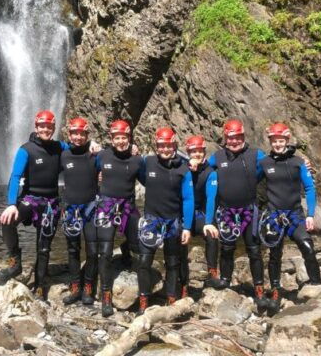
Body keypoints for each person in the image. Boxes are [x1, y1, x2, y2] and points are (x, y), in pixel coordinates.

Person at [0, 110, 66, 300]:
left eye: (49, 126)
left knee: (43, 247)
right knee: (7, 221)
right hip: (30, 199)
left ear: (53, 128)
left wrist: (92, 146)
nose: (46, 129)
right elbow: (15, 177)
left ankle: (40, 284)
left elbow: (79, 150)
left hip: (51, 203)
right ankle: (15, 262)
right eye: (42, 126)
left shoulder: (60, 147)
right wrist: (11, 204)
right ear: (36, 127)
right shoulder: (26, 149)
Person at [259, 122, 321, 314]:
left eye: (281, 141)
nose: (278, 144)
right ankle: (276, 288)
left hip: (295, 215)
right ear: (270, 142)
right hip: (274, 216)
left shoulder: (298, 163)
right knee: (274, 254)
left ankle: (316, 283)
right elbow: (247, 179)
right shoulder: (265, 163)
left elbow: (310, 188)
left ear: (287, 140)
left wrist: (310, 215)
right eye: (274, 141)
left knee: (307, 246)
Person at [208, 120, 268, 310]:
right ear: (225, 139)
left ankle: (259, 290)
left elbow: (276, 163)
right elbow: (201, 169)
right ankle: (225, 280)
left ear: (243, 136)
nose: (234, 141)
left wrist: (302, 163)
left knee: (254, 250)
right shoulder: (217, 157)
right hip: (226, 211)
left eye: (238, 137)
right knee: (227, 247)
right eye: (230, 138)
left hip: (249, 210)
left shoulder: (256, 154)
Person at [136, 127, 194, 314]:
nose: (165, 149)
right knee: (144, 261)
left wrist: (187, 227)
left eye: (168, 145)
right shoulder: (148, 162)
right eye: (161, 145)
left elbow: (188, 199)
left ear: (174, 145)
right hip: (151, 221)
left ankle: (171, 298)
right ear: (156, 146)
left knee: (172, 262)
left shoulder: (183, 169)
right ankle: (143, 302)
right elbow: (131, 170)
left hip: (173, 222)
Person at [91, 120, 144, 317]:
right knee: (104, 251)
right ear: (111, 139)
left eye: (124, 138)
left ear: (129, 138)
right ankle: (106, 295)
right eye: (117, 138)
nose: (121, 141)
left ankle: (127, 250)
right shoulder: (102, 155)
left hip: (128, 205)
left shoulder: (138, 160)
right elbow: (88, 168)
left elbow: (151, 180)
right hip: (106, 205)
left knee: (139, 245)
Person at [59, 117, 99, 307]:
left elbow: (115, 157)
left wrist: (133, 149)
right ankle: (75, 287)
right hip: (70, 209)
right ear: (69, 135)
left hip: (91, 208)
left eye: (81, 133)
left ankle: (88, 288)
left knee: (92, 250)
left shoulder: (95, 155)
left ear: (86, 135)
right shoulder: (63, 154)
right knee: (73, 249)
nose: (78, 137)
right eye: (74, 133)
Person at [179, 135, 223, 295]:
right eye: (193, 152)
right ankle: (182, 282)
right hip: (183, 213)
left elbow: (211, 198)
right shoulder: (181, 167)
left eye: (199, 151)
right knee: (180, 240)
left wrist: (209, 222)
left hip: (199, 214)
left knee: (212, 235)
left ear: (204, 152)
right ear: (188, 152)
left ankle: (212, 273)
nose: (197, 154)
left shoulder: (210, 172)